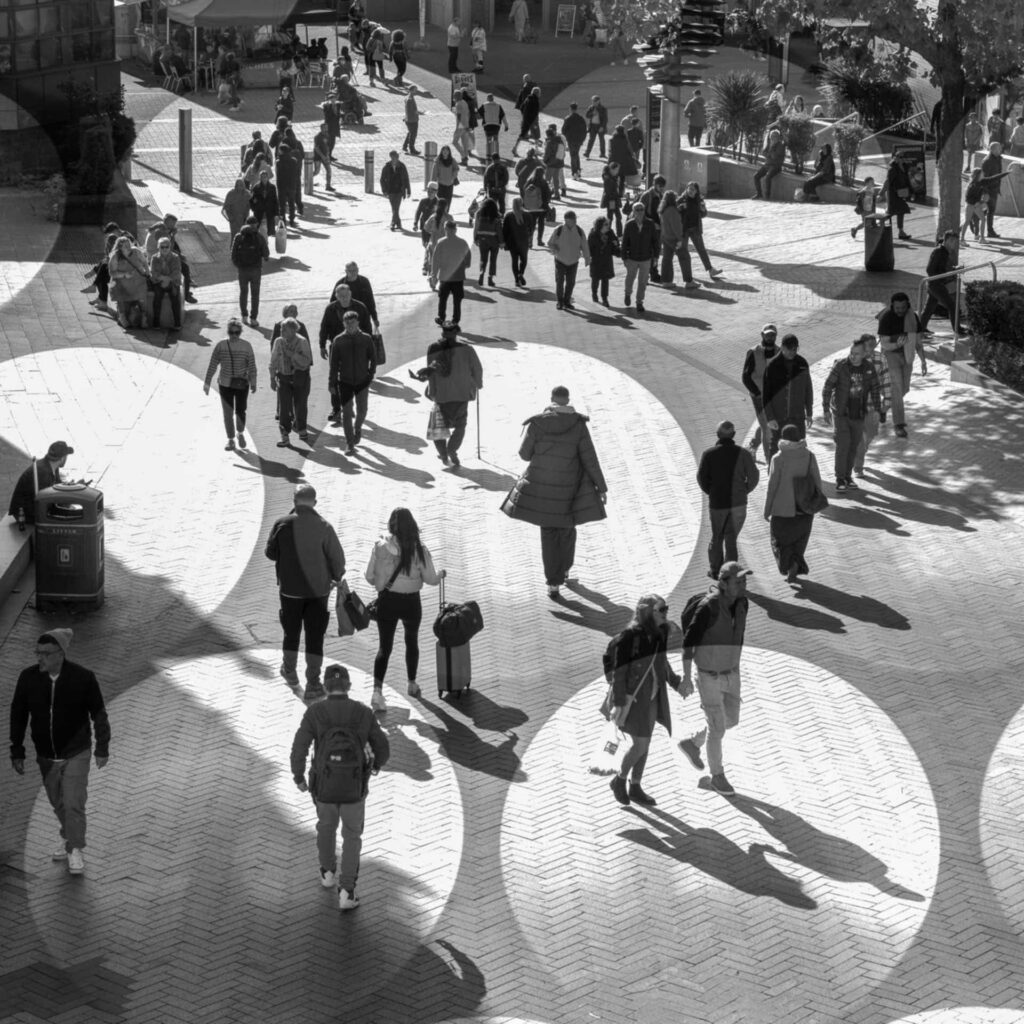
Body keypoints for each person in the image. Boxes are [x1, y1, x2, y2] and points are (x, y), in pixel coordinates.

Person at [9, 629, 110, 876]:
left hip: (77, 752)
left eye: (46, 653)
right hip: (46, 756)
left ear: (60, 654)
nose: (40, 658)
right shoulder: (28, 678)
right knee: (59, 803)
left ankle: (75, 849)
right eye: (38, 653)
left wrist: (102, 747)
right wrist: (17, 749)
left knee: (74, 803)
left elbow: (98, 713)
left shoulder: (83, 678)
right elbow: (18, 714)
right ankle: (68, 837)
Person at [290, 663, 389, 911]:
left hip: (323, 786)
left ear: (325, 686)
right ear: (348, 686)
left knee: (325, 827)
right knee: (352, 836)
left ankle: (327, 872)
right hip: (354, 787)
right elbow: (383, 749)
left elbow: (299, 747)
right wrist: (375, 765)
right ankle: (347, 891)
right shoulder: (363, 713)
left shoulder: (315, 713)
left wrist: (299, 777)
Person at [500, 384, 608, 599]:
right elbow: (589, 458)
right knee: (567, 530)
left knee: (548, 534)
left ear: (551, 399)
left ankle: (553, 583)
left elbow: (524, 454)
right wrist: (601, 487)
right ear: (568, 401)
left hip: (542, 489)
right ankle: (566, 569)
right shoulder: (578, 425)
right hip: (571, 489)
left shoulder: (538, 423)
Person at [676, 561, 751, 797]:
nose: (742, 584)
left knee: (731, 720)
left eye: (744, 580)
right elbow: (688, 643)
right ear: (722, 583)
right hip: (708, 676)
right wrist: (687, 678)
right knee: (717, 728)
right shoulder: (708, 608)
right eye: (737, 581)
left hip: (732, 672)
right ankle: (717, 776)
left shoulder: (743, 604)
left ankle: (693, 743)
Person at [265, 483, 345, 699]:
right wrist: (336, 576)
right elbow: (337, 560)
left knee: (291, 633)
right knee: (314, 637)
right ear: (315, 503)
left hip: (290, 591)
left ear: (293, 501)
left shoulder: (281, 524)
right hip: (318, 592)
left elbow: (270, 553)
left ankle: (289, 671)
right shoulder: (324, 526)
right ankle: (313, 683)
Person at [364, 508, 446, 712]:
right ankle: (411, 683)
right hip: (411, 603)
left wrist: (381, 582)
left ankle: (377, 692)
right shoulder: (420, 549)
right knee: (411, 641)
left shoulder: (380, 547)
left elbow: (369, 576)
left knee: (384, 648)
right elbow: (430, 579)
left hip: (388, 601)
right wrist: (441, 575)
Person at [607, 595, 682, 807]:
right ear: (648, 613)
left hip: (653, 695)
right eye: (662, 610)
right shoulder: (630, 637)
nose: (666, 613)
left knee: (645, 743)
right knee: (640, 744)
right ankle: (619, 780)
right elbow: (618, 673)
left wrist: (675, 682)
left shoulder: (661, 632)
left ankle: (636, 786)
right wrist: (619, 702)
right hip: (634, 698)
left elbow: (662, 661)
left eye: (666, 609)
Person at [696, 421, 760, 579]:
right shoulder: (743, 454)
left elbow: (701, 478)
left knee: (717, 537)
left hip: (718, 504)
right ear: (734, 435)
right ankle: (730, 573)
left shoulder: (709, 454)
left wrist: (711, 492)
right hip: (738, 503)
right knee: (731, 539)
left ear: (718, 435)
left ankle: (716, 570)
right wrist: (745, 490)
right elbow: (754, 476)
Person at [821, 336, 883, 492]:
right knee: (843, 445)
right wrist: (825, 409)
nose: (852, 356)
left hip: (859, 413)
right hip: (841, 413)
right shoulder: (841, 366)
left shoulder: (868, 368)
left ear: (864, 354)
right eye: (851, 352)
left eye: (856, 353)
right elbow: (828, 387)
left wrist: (877, 409)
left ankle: (848, 477)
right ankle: (840, 478)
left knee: (853, 446)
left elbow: (875, 389)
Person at [419, 321, 484, 467]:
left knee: (439, 428)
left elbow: (430, 372)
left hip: (441, 395)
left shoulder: (433, 348)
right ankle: (452, 450)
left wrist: (432, 391)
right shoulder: (467, 350)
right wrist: (477, 385)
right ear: (457, 334)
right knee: (460, 425)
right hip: (462, 394)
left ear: (442, 333)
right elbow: (477, 369)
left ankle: (443, 455)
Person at [762, 425, 823, 582]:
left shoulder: (778, 458)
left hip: (782, 509)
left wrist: (767, 510)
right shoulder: (809, 455)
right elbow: (817, 480)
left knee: (779, 540)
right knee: (800, 539)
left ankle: (789, 565)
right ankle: (795, 561)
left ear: (783, 438)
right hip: (804, 508)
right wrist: (817, 502)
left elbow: (772, 486)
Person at [203, 318, 257, 451]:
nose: (234, 335)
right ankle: (231, 439)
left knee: (241, 410)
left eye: (236, 332)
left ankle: (240, 432)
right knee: (227, 413)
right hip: (225, 384)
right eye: (231, 332)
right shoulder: (221, 346)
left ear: (240, 332)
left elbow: (252, 366)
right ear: (227, 332)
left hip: (242, 384)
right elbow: (213, 364)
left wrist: (253, 382)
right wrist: (207, 382)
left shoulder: (247, 346)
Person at [329, 310, 377, 455]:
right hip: (345, 382)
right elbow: (333, 364)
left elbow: (373, 359)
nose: (350, 325)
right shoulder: (338, 340)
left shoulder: (366, 339)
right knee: (347, 413)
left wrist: (370, 375)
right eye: (347, 322)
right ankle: (349, 443)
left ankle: (358, 428)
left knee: (363, 411)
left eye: (352, 322)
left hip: (363, 381)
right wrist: (331, 383)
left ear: (358, 322)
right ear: (343, 323)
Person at [877, 291, 924, 437]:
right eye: (897, 308)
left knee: (904, 389)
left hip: (907, 355)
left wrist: (923, 360)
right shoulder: (886, 317)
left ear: (908, 305)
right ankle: (899, 424)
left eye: (903, 307)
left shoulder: (913, 317)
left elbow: (917, 341)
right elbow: (884, 344)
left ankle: (883, 409)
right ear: (892, 306)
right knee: (897, 389)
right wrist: (897, 344)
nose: (900, 310)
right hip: (890, 355)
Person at [762, 333, 813, 459]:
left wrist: (809, 413)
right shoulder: (772, 366)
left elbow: (808, 389)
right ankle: (773, 475)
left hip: (797, 416)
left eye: (795, 349)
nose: (792, 352)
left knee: (799, 446)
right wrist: (770, 417)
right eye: (789, 349)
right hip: (779, 417)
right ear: (782, 347)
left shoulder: (802, 363)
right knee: (776, 448)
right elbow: (766, 394)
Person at [853, 332, 892, 478]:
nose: (873, 348)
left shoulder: (880, 359)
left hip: (873, 408)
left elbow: (886, 381)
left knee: (870, 434)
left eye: (874, 345)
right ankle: (858, 466)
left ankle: (859, 453)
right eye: (869, 345)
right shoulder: (853, 358)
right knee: (859, 438)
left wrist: (886, 402)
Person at [270, 317, 314, 446]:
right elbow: (273, 360)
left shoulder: (302, 341)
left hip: (300, 379)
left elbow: (307, 361)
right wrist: (272, 378)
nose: (282, 331)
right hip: (284, 378)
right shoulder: (278, 342)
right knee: (284, 407)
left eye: (285, 329)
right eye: (282, 328)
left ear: (294, 330)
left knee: (300, 404)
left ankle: (302, 429)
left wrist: (293, 355)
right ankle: (285, 435)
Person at [7, 441, 74, 525]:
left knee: (69, 509)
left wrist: (72, 487)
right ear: (62, 458)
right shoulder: (42, 472)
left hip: (35, 507)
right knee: (68, 517)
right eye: (66, 456)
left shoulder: (53, 466)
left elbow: (58, 486)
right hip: (25, 513)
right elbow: (45, 500)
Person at [740, 324, 779, 464]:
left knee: (770, 424)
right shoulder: (753, 352)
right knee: (767, 428)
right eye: (767, 334)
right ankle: (770, 461)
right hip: (759, 396)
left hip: (775, 396)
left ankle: (752, 445)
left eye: (773, 334)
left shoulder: (780, 352)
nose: (770, 337)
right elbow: (745, 376)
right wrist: (756, 393)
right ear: (762, 335)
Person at [919, 230, 965, 338]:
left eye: (955, 242)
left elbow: (942, 268)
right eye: (953, 241)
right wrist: (945, 274)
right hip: (936, 284)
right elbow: (930, 270)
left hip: (936, 283)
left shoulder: (944, 252)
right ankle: (957, 329)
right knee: (952, 306)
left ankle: (921, 329)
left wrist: (954, 269)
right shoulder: (939, 252)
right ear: (947, 240)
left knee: (930, 307)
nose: (954, 244)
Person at [678, 181, 722, 284]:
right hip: (684, 230)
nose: (690, 191)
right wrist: (681, 208)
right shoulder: (681, 199)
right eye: (689, 188)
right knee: (684, 252)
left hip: (695, 229)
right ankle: (688, 275)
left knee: (701, 249)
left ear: (697, 191)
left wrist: (703, 210)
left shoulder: (699, 200)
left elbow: (703, 215)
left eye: (693, 189)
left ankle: (710, 270)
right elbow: (675, 212)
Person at [230, 215, 270, 327]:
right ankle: (253, 318)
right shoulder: (259, 237)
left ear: (245, 223)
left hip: (242, 270)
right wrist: (265, 257)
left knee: (243, 293)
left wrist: (238, 265)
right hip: (255, 269)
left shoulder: (238, 236)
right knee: (255, 294)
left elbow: (233, 253)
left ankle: (244, 316)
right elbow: (266, 253)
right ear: (256, 224)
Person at [431, 220, 473, 325]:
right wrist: (465, 265)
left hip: (445, 277)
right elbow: (468, 256)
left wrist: (434, 275)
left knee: (443, 298)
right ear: (455, 230)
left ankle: (441, 317)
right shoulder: (462, 242)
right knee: (457, 300)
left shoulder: (441, 242)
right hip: (458, 277)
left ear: (445, 229)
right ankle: (455, 320)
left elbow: (435, 260)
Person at [548, 210, 590, 311]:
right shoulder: (559, 229)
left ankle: (567, 301)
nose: (575, 220)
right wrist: (554, 248)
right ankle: (560, 301)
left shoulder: (579, 230)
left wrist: (587, 258)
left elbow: (584, 245)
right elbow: (550, 242)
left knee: (571, 282)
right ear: (566, 220)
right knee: (560, 281)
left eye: (575, 218)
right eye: (573, 219)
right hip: (560, 260)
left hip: (573, 261)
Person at [621, 202, 658, 314]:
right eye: (637, 209)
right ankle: (628, 294)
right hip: (632, 258)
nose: (640, 211)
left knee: (642, 282)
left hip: (646, 258)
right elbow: (624, 243)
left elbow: (655, 241)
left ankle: (639, 302)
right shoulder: (629, 224)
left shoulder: (650, 224)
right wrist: (624, 258)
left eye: (642, 209)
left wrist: (656, 257)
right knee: (630, 278)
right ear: (633, 211)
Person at [107, 235, 151, 328]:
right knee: (119, 293)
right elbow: (112, 272)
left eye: (128, 244)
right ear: (120, 247)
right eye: (125, 245)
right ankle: (122, 317)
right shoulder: (115, 256)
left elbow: (144, 262)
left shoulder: (136, 251)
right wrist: (124, 274)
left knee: (142, 295)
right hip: (121, 281)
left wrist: (147, 272)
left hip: (137, 280)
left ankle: (144, 317)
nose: (128, 247)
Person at [329, 263, 379, 331]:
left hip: (363, 317)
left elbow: (370, 300)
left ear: (358, 270)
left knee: (366, 337)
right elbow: (333, 303)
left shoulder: (365, 281)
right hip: (346, 319)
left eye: (354, 270)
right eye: (350, 271)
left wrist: (375, 318)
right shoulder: (340, 283)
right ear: (346, 271)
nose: (353, 273)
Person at [148, 235, 183, 330]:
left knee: (175, 298)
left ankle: (177, 324)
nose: (164, 249)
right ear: (158, 247)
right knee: (157, 298)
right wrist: (163, 279)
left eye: (166, 246)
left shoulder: (175, 257)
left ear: (170, 247)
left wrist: (168, 280)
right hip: (159, 282)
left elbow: (176, 272)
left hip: (172, 281)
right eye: (162, 247)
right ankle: (156, 324)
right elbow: (153, 272)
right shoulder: (154, 258)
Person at [587, 215, 619, 306]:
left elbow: (615, 243)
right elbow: (589, 248)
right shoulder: (593, 234)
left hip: (606, 260)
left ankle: (605, 298)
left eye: (608, 224)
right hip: (596, 261)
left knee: (605, 280)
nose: (608, 226)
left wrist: (616, 246)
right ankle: (594, 294)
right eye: (606, 224)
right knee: (595, 279)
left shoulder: (610, 233)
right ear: (600, 225)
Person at [502, 196, 532, 288]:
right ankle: (521, 274)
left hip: (512, 242)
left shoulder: (508, 215)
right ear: (521, 203)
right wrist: (530, 240)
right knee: (524, 260)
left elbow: (505, 230)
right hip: (524, 241)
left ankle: (516, 279)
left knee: (514, 260)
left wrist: (504, 242)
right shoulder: (527, 215)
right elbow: (531, 229)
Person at [882, 153, 913, 240]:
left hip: (900, 194)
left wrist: (910, 191)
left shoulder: (904, 167)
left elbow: (906, 179)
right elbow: (887, 181)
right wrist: (881, 192)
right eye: (900, 157)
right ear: (895, 158)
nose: (902, 159)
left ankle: (901, 232)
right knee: (892, 212)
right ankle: (878, 223)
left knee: (901, 211)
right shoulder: (892, 169)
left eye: (903, 157)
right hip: (893, 194)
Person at [379, 150, 411, 232]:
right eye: (392, 157)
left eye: (396, 157)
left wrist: (408, 190)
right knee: (394, 208)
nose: (394, 159)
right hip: (391, 190)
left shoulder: (402, 166)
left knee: (396, 208)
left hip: (400, 190)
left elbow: (406, 178)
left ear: (397, 157)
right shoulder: (386, 167)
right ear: (391, 157)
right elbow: (382, 179)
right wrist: (384, 190)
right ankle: (398, 223)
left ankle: (393, 223)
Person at [473, 196, 502, 286]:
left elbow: (476, 227)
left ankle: (481, 273)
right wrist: (502, 242)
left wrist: (475, 238)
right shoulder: (496, 215)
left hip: (482, 239)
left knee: (483, 258)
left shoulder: (478, 214)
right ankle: (490, 278)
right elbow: (499, 230)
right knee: (493, 259)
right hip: (494, 240)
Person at [521, 167, 552, 248]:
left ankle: (529, 241)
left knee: (532, 225)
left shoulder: (530, 181)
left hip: (531, 207)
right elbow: (547, 194)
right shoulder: (543, 182)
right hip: (541, 207)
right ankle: (539, 240)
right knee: (541, 224)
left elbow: (524, 191)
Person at [980, 142, 1005, 238]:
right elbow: (984, 178)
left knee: (990, 211)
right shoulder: (987, 161)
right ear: (993, 150)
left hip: (994, 189)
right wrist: (985, 192)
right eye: (999, 149)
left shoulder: (997, 159)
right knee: (987, 211)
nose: (1000, 151)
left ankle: (989, 230)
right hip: (989, 191)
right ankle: (989, 231)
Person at [752, 129, 786, 200]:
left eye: (774, 136)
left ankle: (767, 196)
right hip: (767, 165)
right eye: (771, 137)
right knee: (756, 176)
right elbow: (763, 152)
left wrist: (771, 150)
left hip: (775, 166)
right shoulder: (769, 144)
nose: (772, 138)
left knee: (767, 177)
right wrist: (769, 152)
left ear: (778, 137)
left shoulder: (780, 145)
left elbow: (774, 157)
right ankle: (759, 194)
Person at [275, 143, 301, 227]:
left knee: (282, 206)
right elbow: (296, 174)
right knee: (291, 204)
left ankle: (283, 221)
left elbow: (278, 175)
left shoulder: (278, 162)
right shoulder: (294, 161)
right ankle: (292, 220)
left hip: (282, 186)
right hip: (291, 185)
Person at [960, 170, 989, 243]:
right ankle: (962, 239)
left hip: (975, 205)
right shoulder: (973, 185)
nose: (983, 174)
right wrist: (977, 203)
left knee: (983, 219)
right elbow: (968, 198)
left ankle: (982, 238)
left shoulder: (979, 183)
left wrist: (982, 202)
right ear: (978, 175)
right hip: (970, 205)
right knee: (967, 221)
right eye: (982, 173)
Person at [512, 86, 541, 157]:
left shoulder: (527, 98)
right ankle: (536, 150)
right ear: (537, 93)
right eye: (539, 93)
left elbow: (521, 108)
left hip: (526, 120)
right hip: (533, 121)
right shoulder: (536, 100)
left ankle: (515, 148)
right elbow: (535, 113)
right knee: (537, 135)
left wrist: (524, 116)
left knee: (522, 135)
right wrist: (534, 123)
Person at [249, 168, 279, 236]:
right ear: (260, 178)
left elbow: (275, 200)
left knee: (269, 230)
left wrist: (277, 213)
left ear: (268, 178)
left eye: (265, 177)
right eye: (262, 177)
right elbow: (251, 199)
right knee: (258, 229)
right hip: (259, 211)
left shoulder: (272, 187)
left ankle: (266, 243)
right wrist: (254, 208)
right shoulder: (256, 187)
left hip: (269, 210)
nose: (264, 179)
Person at [561, 103, 587, 180]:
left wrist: (566, 138)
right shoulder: (581, 118)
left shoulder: (568, 118)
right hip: (579, 140)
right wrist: (582, 139)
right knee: (576, 154)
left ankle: (574, 172)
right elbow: (584, 130)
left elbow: (563, 130)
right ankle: (578, 170)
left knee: (573, 155)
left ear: (570, 109)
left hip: (571, 140)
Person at [542, 123, 568, 199]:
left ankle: (546, 195)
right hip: (559, 162)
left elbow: (547, 154)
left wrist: (544, 161)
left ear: (548, 135)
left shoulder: (550, 143)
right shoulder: (559, 139)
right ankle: (557, 194)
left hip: (551, 163)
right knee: (556, 179)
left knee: (547, 180)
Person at [479, 93, 508, 158]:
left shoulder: (484, 105)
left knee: (488, 140)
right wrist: (506, 125)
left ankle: (488, 154)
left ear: (487, 98)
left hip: (487, 125)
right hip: (496, 125)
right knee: (495, 139)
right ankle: (496, 154)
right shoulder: (498, 105)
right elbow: (503, 116)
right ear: (493, 98)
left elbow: (478, 115)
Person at [451, 88, 475, 165]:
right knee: (464, 144)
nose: (453, 97)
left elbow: (458, 117)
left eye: (454, 96)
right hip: (466, 125)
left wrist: (457, 127)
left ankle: (464, 156)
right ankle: (465, 160)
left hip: (461, 126)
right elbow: (468, 114)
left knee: (454, 142)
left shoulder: (458, 104)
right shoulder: (464, 102)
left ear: (456, 97)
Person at [601, 161, 625, 234]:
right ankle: (617, 233)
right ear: (612, 169)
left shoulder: (611, 177)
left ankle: (614, 232)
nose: (617, 172)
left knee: (613, 217)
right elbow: (610, 192)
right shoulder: (608, 179)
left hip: (613, 200)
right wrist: (619, 195)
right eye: (616, 170)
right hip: (612, 200)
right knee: (613, 217)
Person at [312, 122, 334, 192]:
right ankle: (308, 180)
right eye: (324, 128)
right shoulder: (317, 137)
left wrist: (327, 156)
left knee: (329, 170)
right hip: (318, 156)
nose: (326, 129)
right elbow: (316, 148)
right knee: (316, 171)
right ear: (321, 129)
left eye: (327, 127)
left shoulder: (328, 135)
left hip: (325, 156)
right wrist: (322, 156)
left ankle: (328, 185)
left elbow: (327, 146)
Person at [402, 85, 420, 155]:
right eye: (415, 89)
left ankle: (404, 146)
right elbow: (414, 111)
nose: (416, 91)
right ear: (412, 90)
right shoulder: (410, 99)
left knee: (410, 133)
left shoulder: (407, 97)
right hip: (412, 120)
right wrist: (422, 113)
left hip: (408, 119)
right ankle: (412, 149)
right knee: (413, 135)